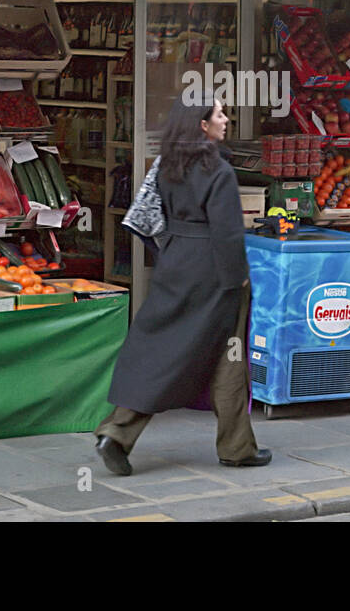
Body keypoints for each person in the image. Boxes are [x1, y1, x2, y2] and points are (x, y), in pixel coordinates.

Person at [94, 92, 271, 475]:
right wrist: (238, 278)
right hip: (214, 269)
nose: (226, 120)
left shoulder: (167, 167)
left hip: (175, 261)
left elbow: (149, 215)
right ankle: (237, 447)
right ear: (202, 126)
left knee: (163, 351)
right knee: (231, 354)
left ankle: (116, 433)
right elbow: (227, 233)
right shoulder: (219, 172)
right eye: (219, 114)